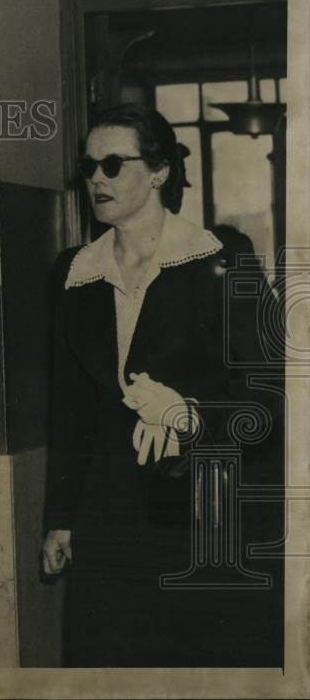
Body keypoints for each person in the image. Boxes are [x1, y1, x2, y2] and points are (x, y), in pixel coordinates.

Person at [41, 104, 284, 666]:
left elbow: (275, 393)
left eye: (111, 164)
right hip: (107, 522)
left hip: (202, 514)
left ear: (158, 172)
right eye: (88, 167)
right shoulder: (75, 272)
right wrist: (60, 516)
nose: (95, 179)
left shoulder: (224, 262)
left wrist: (195, 417)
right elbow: (69, 407)